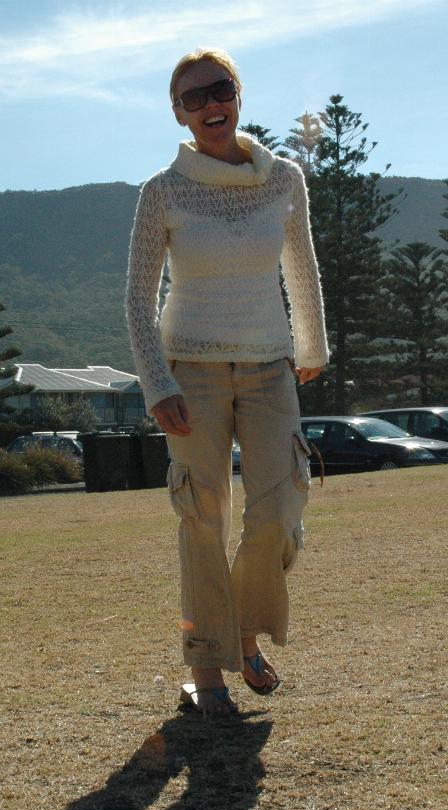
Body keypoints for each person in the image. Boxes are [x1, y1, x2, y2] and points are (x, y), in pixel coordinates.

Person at [125, 48, 329, 718]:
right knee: (201, 517)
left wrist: (312, 345)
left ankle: (243, 635)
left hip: (271, 367)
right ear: (179, 114)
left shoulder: (284, 179)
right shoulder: (164, 190)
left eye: (221, 89)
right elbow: (136, 296)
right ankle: (206, 667)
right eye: (194, 98)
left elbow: (301, 265)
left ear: (238, 95)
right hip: (192, 373)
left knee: (278, 510)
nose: (211, 104)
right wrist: (157, 384)